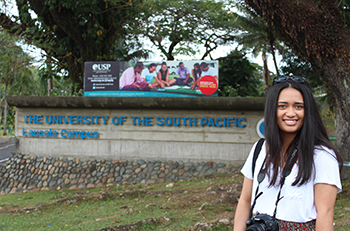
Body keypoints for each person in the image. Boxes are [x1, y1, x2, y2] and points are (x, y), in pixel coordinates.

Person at [234, 76, 342, 231]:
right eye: (282, 106)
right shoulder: (260, 148)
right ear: (272, 110)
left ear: (308, 111)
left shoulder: (321, 155)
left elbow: (325, 213)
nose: (291, 113)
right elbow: (245, 200)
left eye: (298, 107)